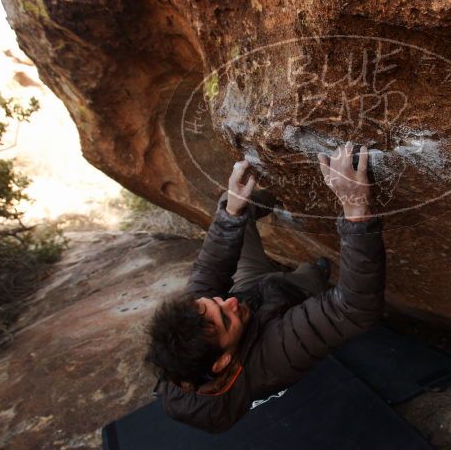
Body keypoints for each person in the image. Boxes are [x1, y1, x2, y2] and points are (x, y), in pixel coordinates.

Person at [146, 143, 385, 432]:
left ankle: (285, 194)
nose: (227, 302)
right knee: (311, 272)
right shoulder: (272, 360)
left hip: (253, 291)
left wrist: (233, 208)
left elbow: (209, 272)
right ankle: (315, 273)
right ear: (223, 362)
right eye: (224, 319)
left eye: (213, 303)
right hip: (281, 309)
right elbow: (354, 309)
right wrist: (356, 209)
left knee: (233, 205)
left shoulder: (191, 335)